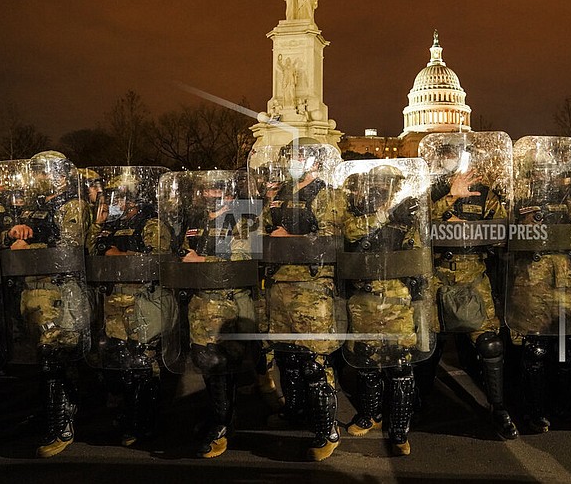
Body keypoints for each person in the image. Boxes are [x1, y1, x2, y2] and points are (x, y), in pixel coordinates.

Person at [418, 136, 518, 440]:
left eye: (456, 153)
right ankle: (419, 401)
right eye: (446, 153)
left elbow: (500, 234)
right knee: (428, 344)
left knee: (490, 344)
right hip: (436, 277)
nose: (451, 158)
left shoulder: (486, 195)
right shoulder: (430, 191)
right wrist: (450, 198)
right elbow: (417, 225)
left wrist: (465, 226)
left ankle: (498, 407)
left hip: (473, 277)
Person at [0, 151, 90, 457]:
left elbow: (69, 248)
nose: (37, 178)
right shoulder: (35, 207)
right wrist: (12, 233)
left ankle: (60, 427)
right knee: (47, 361)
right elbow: (2, 238)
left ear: (59, 174)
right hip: (33, 292)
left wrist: (28, 245)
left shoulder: (73, 204)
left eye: (42, 173)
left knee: (55, 359)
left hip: (60, 293)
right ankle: (56, 415)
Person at [507, 137, 571, 434]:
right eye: (539, 171)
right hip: (533, 283)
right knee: (535, 350)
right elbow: (501, 233)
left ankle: (563, 404)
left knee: (565, 347)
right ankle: (535, 409)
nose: (545, 176)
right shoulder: (516, 198)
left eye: (549, 171)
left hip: (566, 282)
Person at [260, 137, 342, 461]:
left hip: (311, 289)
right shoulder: (279, 194)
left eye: (298, 157)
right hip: (280, 284)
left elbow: (331, 241)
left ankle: (327, 431)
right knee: (287, 358)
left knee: (314, 362)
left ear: (314, 162)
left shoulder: (325, 194)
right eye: (289, 157)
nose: (292, 162)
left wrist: (289, 238)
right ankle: (294, 413)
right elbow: (264, 231)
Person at [340, 163, 431, 455]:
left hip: (397, 298)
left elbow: (419, 253)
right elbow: (350, 233)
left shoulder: (409, 217)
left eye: (389, 185)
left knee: (401, 365)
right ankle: (371, 415)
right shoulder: (357, 212)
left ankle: (400, 428)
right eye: (378, 185)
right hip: (365, 298)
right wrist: (381, 214)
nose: (383, 190)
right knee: (367, 361)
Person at [167, 170, 258, 458]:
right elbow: (183, 251)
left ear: (229, 194)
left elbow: (244, 258)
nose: (209, 196)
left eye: (215, 191)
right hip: (199, 303)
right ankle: (222, 418)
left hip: (225, 304)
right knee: (207, 365)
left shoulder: (243, 219)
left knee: (220, 363)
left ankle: (220, 426)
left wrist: (200, 260)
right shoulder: (196, 222)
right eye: (205, 192)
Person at [87, 170, 169, 446]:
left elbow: (158, 260)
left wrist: (118, 256)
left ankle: (144, 423)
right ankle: (129, 416)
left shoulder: (151, 224)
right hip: (115, 301)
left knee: (143, 362)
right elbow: (90, 250)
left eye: (119, 196)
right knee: (121, 363)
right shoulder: (111, 224)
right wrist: (97, 226)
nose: (114, 201)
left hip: (141, 300)